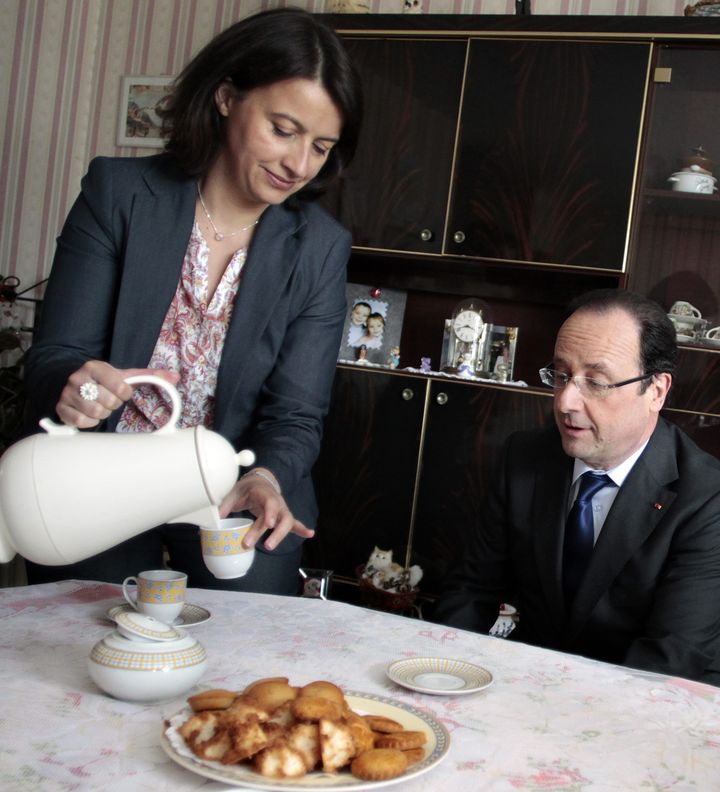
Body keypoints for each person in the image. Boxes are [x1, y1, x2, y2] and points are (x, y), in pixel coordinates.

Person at [22, 8, 363, 594]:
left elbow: (297, 413)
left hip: (231, 487)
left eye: (321, 147)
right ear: (227, 96)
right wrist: (79, 390)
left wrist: (267, 477)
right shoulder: (120, 194)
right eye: (283, 130)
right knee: (79, 634)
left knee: (244, 650)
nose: (298, 164)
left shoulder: (321, 249)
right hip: (99, 478)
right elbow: (56, 354)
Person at [431, 289, 720, 685]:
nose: (566, 401)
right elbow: (470, 591)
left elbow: (669, 657)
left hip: (644, 705)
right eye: (562, 375)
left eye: (596, 383)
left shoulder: (706, 496)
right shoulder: (525, 457)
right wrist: (447, 678)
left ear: (656, 390)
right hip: (528, 680)